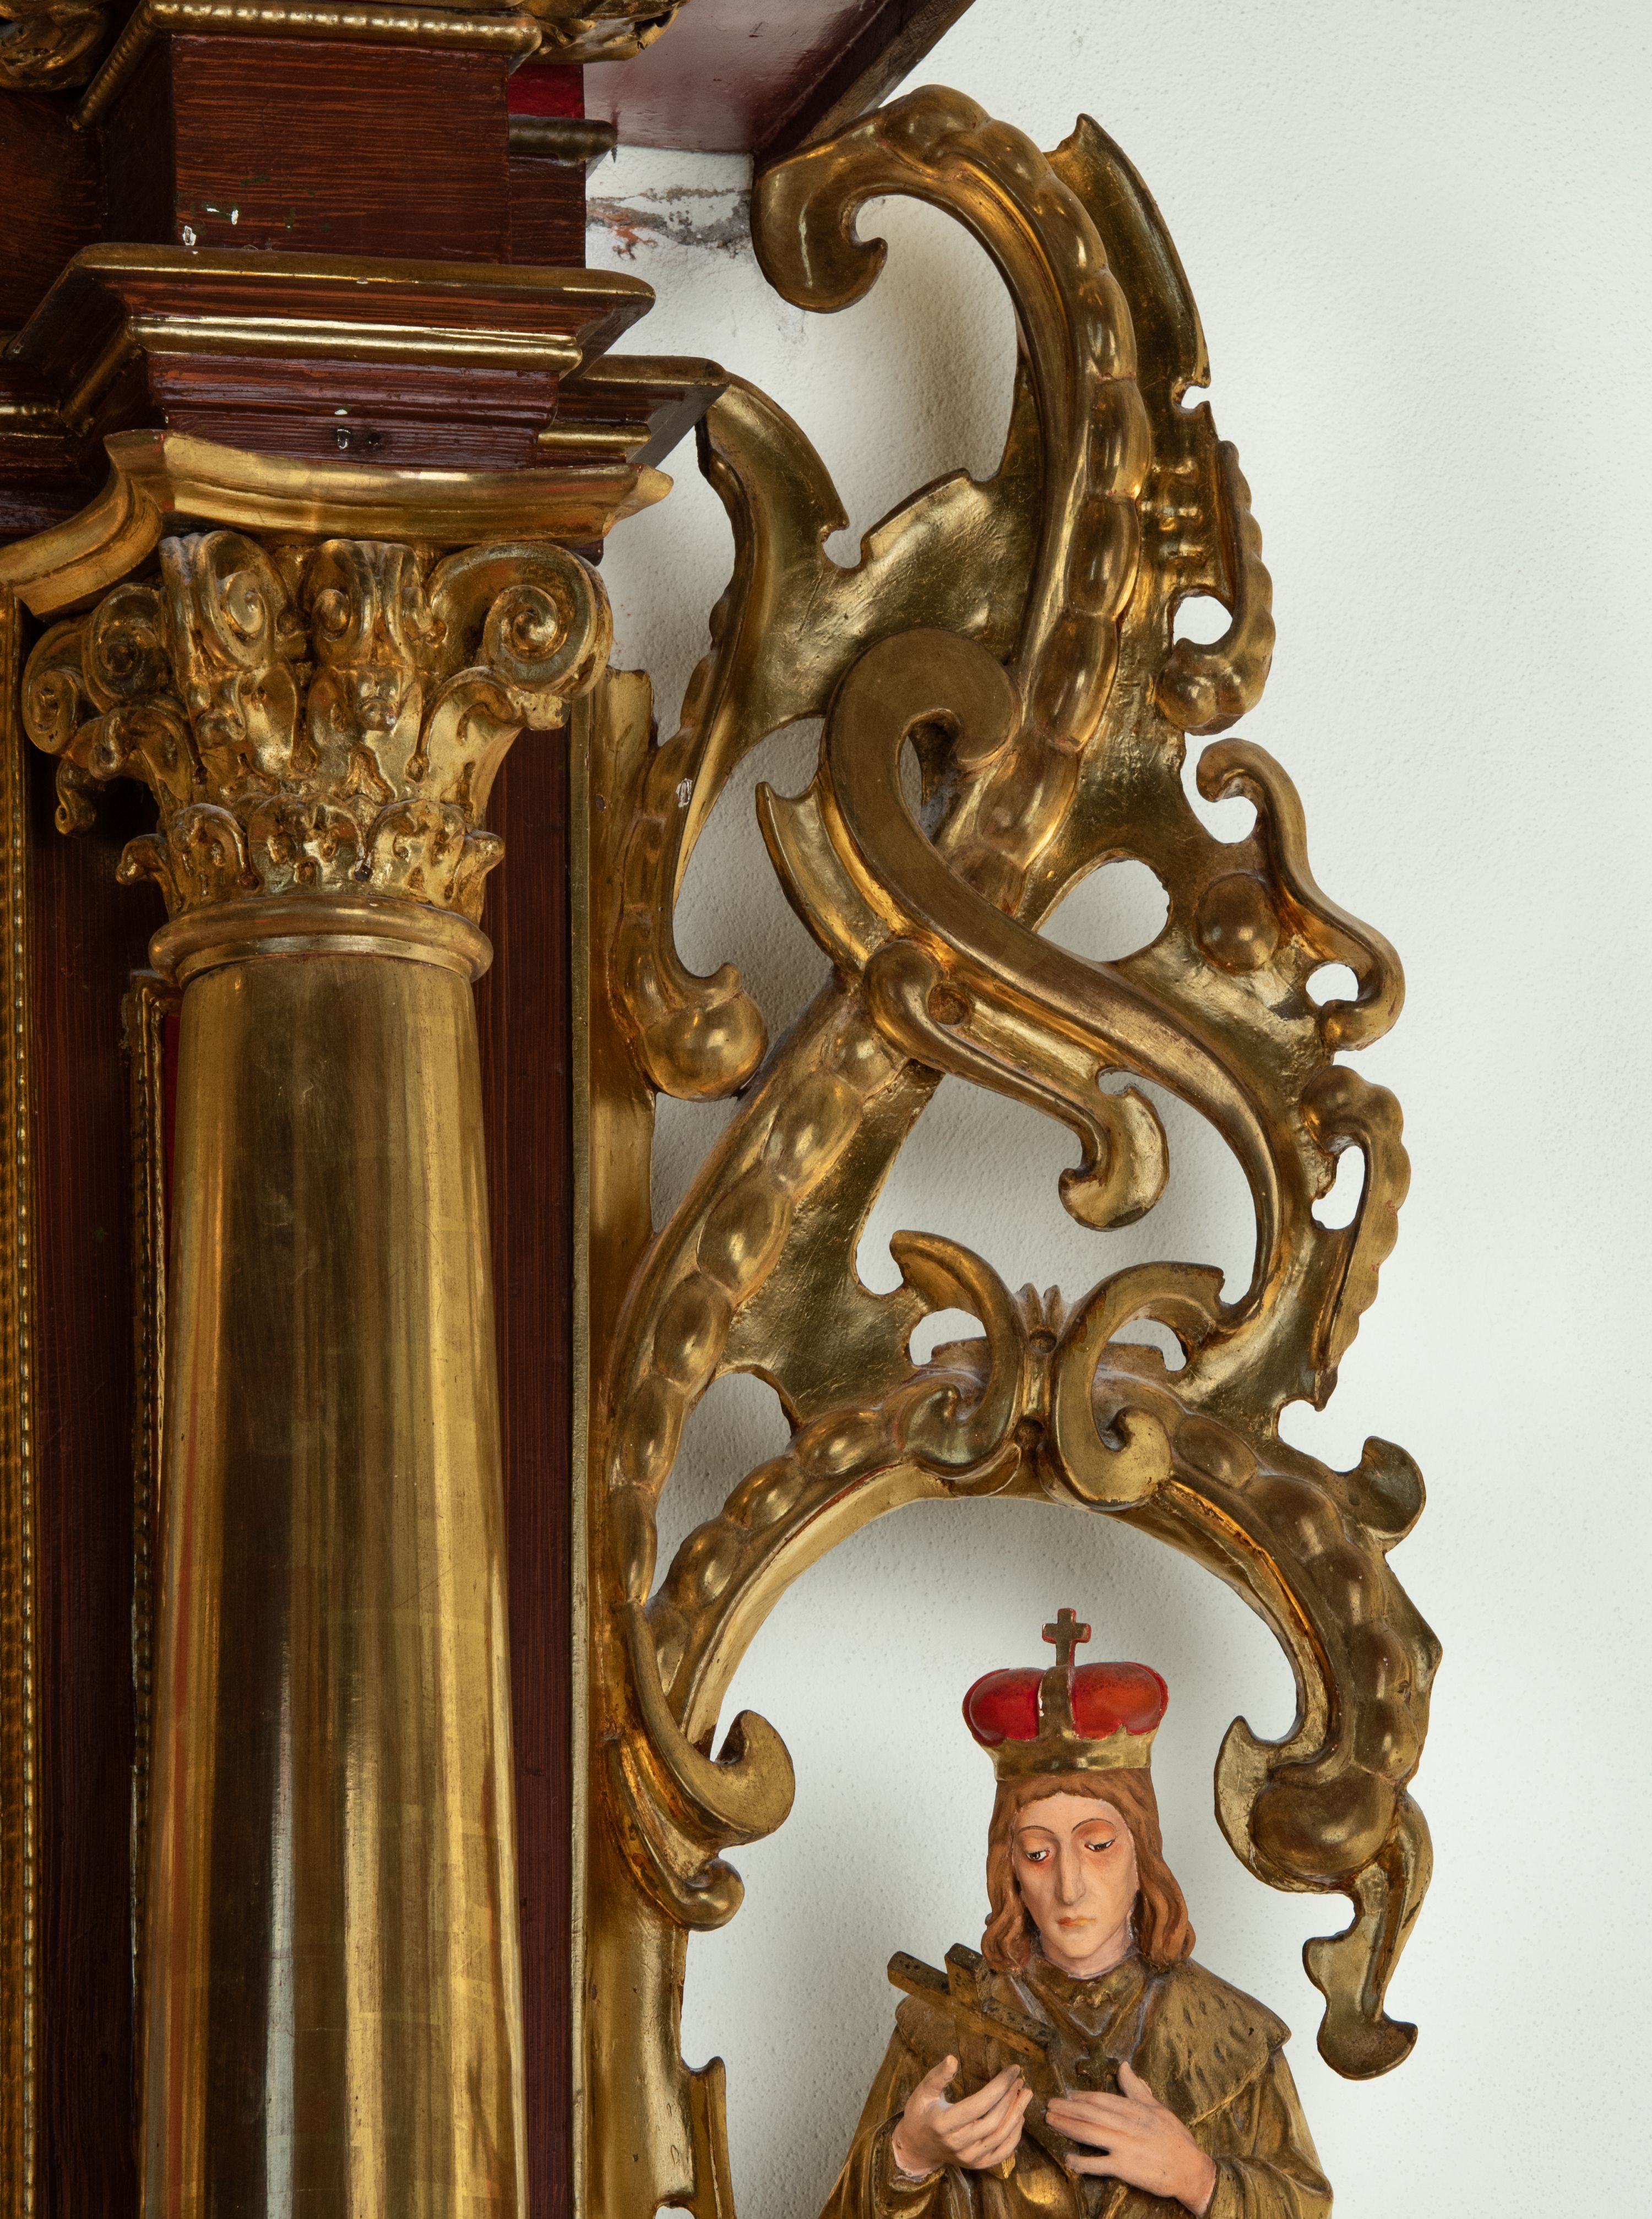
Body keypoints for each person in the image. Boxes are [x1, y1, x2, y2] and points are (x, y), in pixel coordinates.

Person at [817, 1611, 1330, 2219]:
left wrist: (1198, 2179)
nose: (1069, 1887)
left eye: (1098, 1845)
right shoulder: (938, 2030)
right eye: (1038, 1853)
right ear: (1008, 1868)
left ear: (1142, 1852)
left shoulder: (1232, 2035)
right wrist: (909, 2156)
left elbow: (1306, 2207)